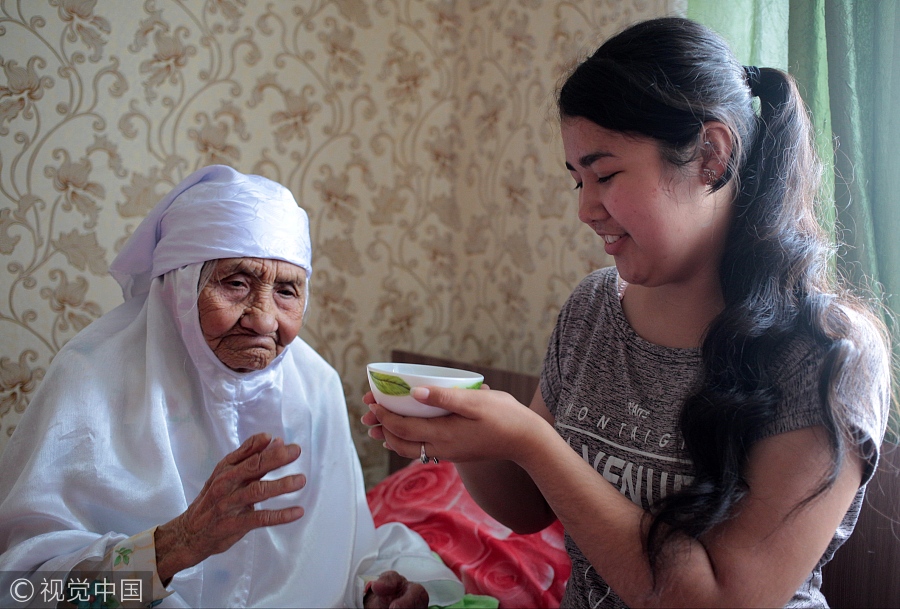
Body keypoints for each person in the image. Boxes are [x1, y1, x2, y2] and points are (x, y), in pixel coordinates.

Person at [363, 17, 893, 609]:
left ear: (711, 157)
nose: (586, 209)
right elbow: (529, 509)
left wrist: (533, 440)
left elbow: (716, 601)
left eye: (606, 174)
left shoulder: (823, 354)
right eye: (577, 182)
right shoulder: (595, 307)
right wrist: (460, 434)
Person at [0, 165, 463, 608]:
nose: (263, 318)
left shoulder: (314, 385)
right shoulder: (92, 381)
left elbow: (343, 552)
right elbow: (26, 594)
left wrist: (369, 592)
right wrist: (175, 545)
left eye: (286, 291)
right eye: (236, 283)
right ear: (178, 290)